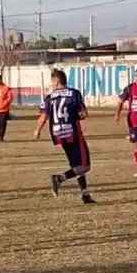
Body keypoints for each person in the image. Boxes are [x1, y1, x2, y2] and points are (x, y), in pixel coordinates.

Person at [35, 69, 95, 204]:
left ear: (56, 82)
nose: (51, 85)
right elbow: (83, 114)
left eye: (52, 82)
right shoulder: (74, 93)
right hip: (72, 132)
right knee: (85, 166)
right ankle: (60, 178)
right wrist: (79, 115)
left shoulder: (49, 97)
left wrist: (37, 130)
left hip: (59, 134)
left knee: (76, 164)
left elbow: (43, 115)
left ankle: (85, 194)